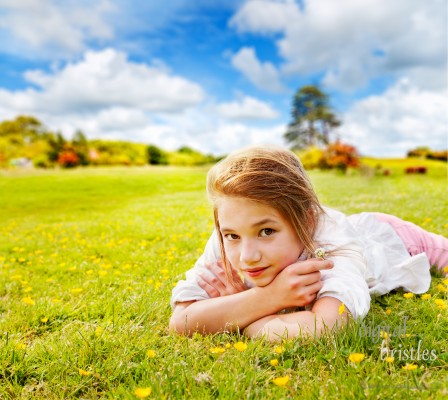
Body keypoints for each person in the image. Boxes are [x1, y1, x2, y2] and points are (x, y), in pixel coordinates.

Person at [169, 146, 447, 341]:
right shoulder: (230, 232)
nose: (247, 256)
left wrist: (237, 314)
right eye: (232, 236)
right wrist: (267, 298)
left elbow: (325, 328)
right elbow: (181, 322)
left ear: (307, 222)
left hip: (390, 237)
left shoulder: (331, 249)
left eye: (266, 231)